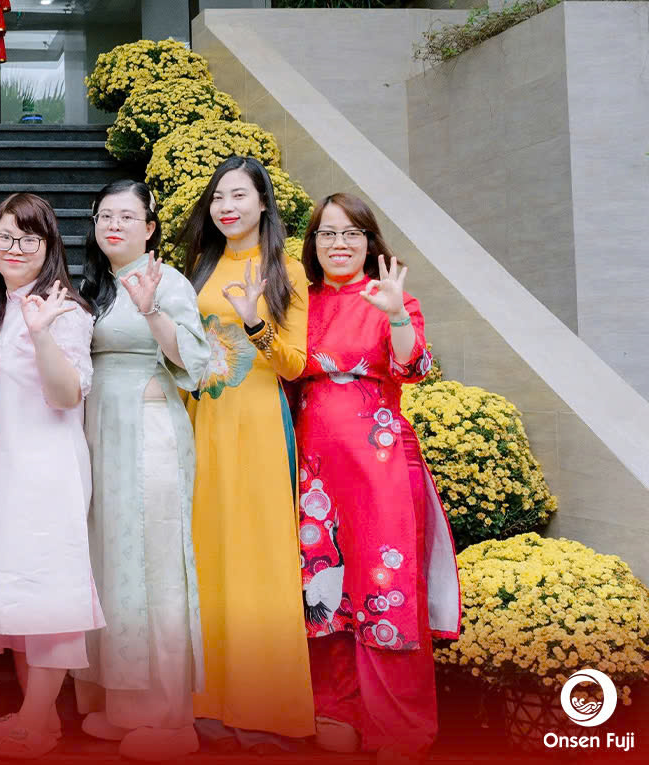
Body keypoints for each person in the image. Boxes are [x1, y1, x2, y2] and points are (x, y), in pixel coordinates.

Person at [295, 193, 459, 764]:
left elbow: (413, 366)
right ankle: (337, 708)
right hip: (315, 471)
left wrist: (394, 314)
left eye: (351, 233)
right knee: (323, 585)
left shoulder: (394, 297)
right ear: (313, 244)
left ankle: (398, 725)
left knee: (386, 587)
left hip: (381, 469)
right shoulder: (301, 302)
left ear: (369, 242)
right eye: (327, 233)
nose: (338, 244)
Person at [70, 180, 210, 762]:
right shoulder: (92, 286)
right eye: (105, 216)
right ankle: (124, 703)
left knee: (155, 561)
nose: (114, 226)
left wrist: (151, 309)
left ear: (150, 228)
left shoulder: (166, 280)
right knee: (111, 557)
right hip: (98, 430)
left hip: (149, 428)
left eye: (127, 217)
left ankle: (171, 717)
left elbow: (193, 361)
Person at [178, 155, 315, 750]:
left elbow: (295, 364)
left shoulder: (287, 269)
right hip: (203, 417)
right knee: (207, 549)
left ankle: (266, 707)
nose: (226, 207)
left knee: (259, 552)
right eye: (217, 197)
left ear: (263, 202)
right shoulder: (202, 266)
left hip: (258, 418)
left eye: (238, 195)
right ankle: (208, 700)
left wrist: (256, 323)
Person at [0, 192, 103, 760]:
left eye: (29, 239)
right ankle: (39, 716)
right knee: (20, 592)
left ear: (50, 247)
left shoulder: (64, 311)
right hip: (1, 469)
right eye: (4, 237)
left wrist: (43, 333)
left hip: (45, 471)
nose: (14, 248)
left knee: (49, 590)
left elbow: (67, 393)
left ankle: (35, 718)